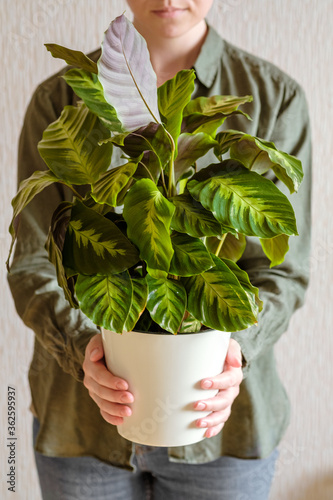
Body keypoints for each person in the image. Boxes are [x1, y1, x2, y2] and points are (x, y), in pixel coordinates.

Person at [8, 1, 311, 499]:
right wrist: (85, 348)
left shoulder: (272, 97)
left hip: (221, 428)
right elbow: (33, 259)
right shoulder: (61, 98)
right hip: (78, 426)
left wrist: (235, 351)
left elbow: (283, 270)